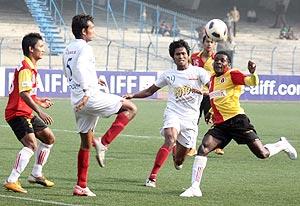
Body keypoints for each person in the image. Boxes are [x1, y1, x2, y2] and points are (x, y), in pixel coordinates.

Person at [180, 51, 298, 197]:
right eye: (216, 60)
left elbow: (252, 82)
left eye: (222, 61)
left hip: (237, 121)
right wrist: (210, 110)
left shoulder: (232, 74)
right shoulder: (212, 80)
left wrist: (253, 73)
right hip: (221, 125)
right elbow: (217, 96)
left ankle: (282, 145)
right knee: (203, 148)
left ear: (228, 64)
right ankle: (195, 187)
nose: (218, 62)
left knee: (262, 153)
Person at [63, 14, 137, 196]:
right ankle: (104, 143)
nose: (94, 31)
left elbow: (71, 72)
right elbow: (80, 68)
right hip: (89, 97)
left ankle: (81, 186)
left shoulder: (67, 49)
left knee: (85, 144)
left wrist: (94, 82)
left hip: (77, 99)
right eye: (92, 28)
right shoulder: (85, 48)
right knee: (131, 108)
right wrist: (89, 92)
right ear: (83, 31)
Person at [124, 39, 210, 188]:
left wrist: (203, 92)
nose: (181, 56)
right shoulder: (168, 75)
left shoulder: (199, 72)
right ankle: (152, 177)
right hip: (173, 113)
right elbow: (150, 91)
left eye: (183, 53)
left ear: (188, 55)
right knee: (170, 139)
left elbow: (213, 89)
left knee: (179, 161)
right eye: (177, 54)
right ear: (173, 57)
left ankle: (176, 154)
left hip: (190, 119)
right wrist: (133, 95)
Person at [3, 33, 55, 194]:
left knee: (49, 138)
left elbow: (28, 93)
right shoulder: (26, 68)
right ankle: (12, 180)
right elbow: (24, 95)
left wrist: (39, 101)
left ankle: (36, 174)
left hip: (26, 112)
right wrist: (40, 111)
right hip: (17, 113)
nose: (43, 50)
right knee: (31, 145)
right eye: (40, 47)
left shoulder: (30, 67)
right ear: (31, 49)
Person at [190, 35, 224, 156]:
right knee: (194, 120)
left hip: (210, 94)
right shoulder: (193, 57)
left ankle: (218, 145)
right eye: (207, 42)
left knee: (215, 120)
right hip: (195, 94)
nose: (209, 44)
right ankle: (191, 148)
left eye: (212, 42)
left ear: (215, 44)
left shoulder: (218, 59)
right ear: (203, 43)